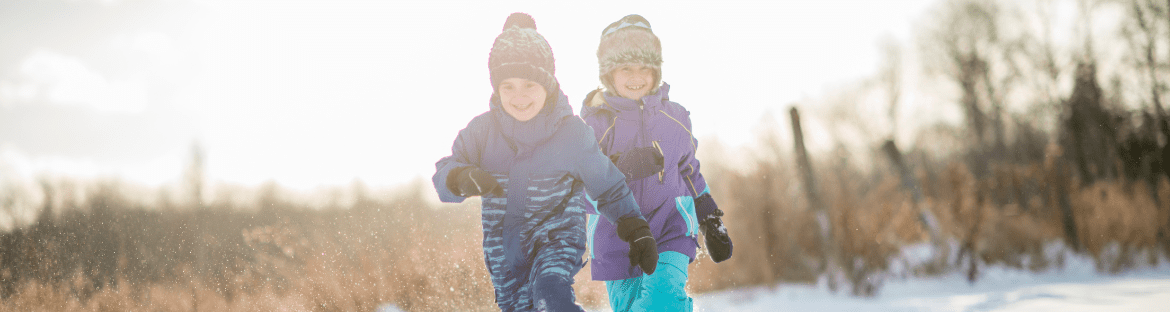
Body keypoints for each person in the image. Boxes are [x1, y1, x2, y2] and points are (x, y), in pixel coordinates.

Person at [431, 13, 659, 312]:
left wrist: (635, 226)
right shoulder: (482, 132)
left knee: (550, 296)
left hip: (557, 240)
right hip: (503, 255)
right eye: (508, 86)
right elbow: (445, 173)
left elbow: (607, 185)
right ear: (496, 88)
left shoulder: (571, 133)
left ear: (548, 83)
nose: (519, 96)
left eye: (529, 84)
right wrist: (459, 178)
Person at [579, 14, 734, 311]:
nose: (636, 77)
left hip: (670, 228)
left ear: (656, 71)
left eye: (644, 68)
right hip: (617, 238)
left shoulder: (675, 117)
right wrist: (621, 170)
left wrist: (709, 217)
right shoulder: (594, 125)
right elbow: (579, 190)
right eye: (626, 68)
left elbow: (689, 171)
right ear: (609, 73)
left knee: (661, 299)